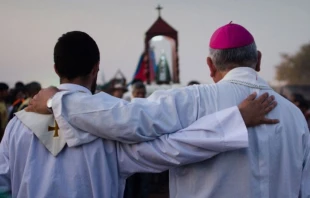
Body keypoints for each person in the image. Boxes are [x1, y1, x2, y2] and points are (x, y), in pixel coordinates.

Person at [28, 23, 309, 198]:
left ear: (210, 66)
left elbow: (128, 119)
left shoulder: (194, 99)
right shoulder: (296, 116)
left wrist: (59, 101)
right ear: (258, 60)